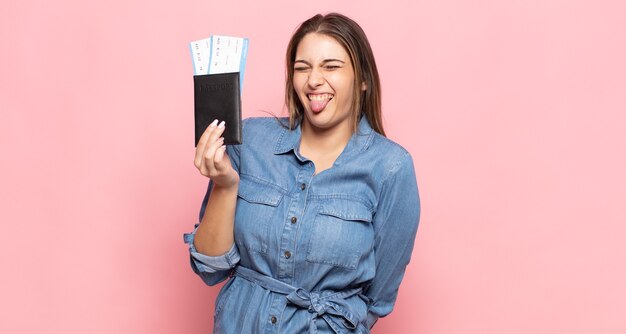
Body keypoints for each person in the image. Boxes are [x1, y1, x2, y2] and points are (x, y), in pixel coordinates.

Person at [184, 12, 420, 334]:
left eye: (331, 66)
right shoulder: (250, 141)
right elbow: (209, 267)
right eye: (302, 68)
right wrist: (225, 185)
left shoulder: (390, 168)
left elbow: (376, 300)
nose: (313, 80)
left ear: (363, 79)